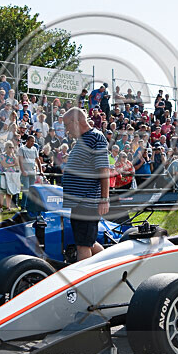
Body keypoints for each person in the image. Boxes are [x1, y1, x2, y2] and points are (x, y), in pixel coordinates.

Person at [61, 107, 110, 261]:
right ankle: (109, 265)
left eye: (67, 125)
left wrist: (104, 198)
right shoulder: (83, 140)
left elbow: (104, 170)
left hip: (87, 202)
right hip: (79, 203)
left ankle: (83, 283)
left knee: (83, 246)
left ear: (75, 121)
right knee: (87, 242)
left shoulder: (96, 137)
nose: (66, 130)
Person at [18, 134, 43, 210]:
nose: (33, 143)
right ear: (27, 141)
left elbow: (37, 160)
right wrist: (22, 171)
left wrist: (40, 170)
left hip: (32, 172)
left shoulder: (34, 149)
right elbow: (20, 161)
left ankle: (29, 205)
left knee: (31, 189)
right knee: (26, 188)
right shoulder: (22, 149)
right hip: (25, 172)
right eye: (31, 141)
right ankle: (23, 206)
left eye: (34, 141)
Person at [0, 141, 21, 210]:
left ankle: (8, 206)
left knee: (9, 191)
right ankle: (0, 207)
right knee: (2, 191)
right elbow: (4, 165)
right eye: (10, 147)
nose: (11, 149)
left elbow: (17, 164)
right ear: (7, 148)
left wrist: (13, 160)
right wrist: (12, 164)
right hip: (3, 174)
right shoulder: (3, 155)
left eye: (12, 147)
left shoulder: (13, 156)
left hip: (11, 175)